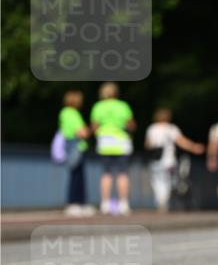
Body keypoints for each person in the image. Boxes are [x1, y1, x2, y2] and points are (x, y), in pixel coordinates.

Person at [145, 108, 205, 211]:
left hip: (156, 161)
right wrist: (194, 147)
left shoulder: (152, 129)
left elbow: (148, 144)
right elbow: (181, 141)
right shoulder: (171, 129)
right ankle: (166, 200)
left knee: (157, 181)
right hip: (169, 160)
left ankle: (161, 201)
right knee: (170, 181)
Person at [90, 82, 136, 215]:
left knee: (106, 174)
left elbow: (94, 126)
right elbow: (131, 125)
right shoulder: (123, 106)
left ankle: (105, 204)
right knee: (123, 173)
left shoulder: (98, 106)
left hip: (105, 141)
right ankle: (124, 204)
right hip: (121, 141)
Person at [58, 90, 93, 216]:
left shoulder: (63, 113)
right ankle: (76, 203)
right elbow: (82, 132)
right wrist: (92, 129)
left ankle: (76, 203)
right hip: (76, 145)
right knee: (77, 176)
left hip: (69, 144)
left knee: (75, 174)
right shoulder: (73, 113)